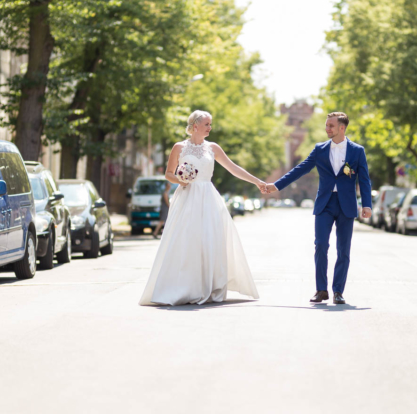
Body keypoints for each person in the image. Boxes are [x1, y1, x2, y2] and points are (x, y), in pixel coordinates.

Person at [139, 110, 266, 306]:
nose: (210, 128)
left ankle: (209, 286)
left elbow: (233, 168)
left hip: (208, 198)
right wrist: (181, 179)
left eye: (210, 124)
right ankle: (184, 287)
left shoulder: (213, 148)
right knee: (186, 240)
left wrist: (257, 182)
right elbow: (169, 174)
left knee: (209, 239)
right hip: (187, 197)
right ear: (195, 126)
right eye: (207, 124)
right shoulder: (179, 147)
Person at [265, 112, 372, 305]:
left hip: (347, 205)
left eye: (331, 125)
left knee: (343, 250)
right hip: (325, 203)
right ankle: (321, 290)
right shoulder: (320, 149)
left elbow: (364, 180)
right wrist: (277, 185)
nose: (327, 129)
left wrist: (366, 205)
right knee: (321, 245)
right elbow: (300, 169)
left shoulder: (357, 151)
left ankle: (338, 291)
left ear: (342, 127)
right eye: (326, 125)